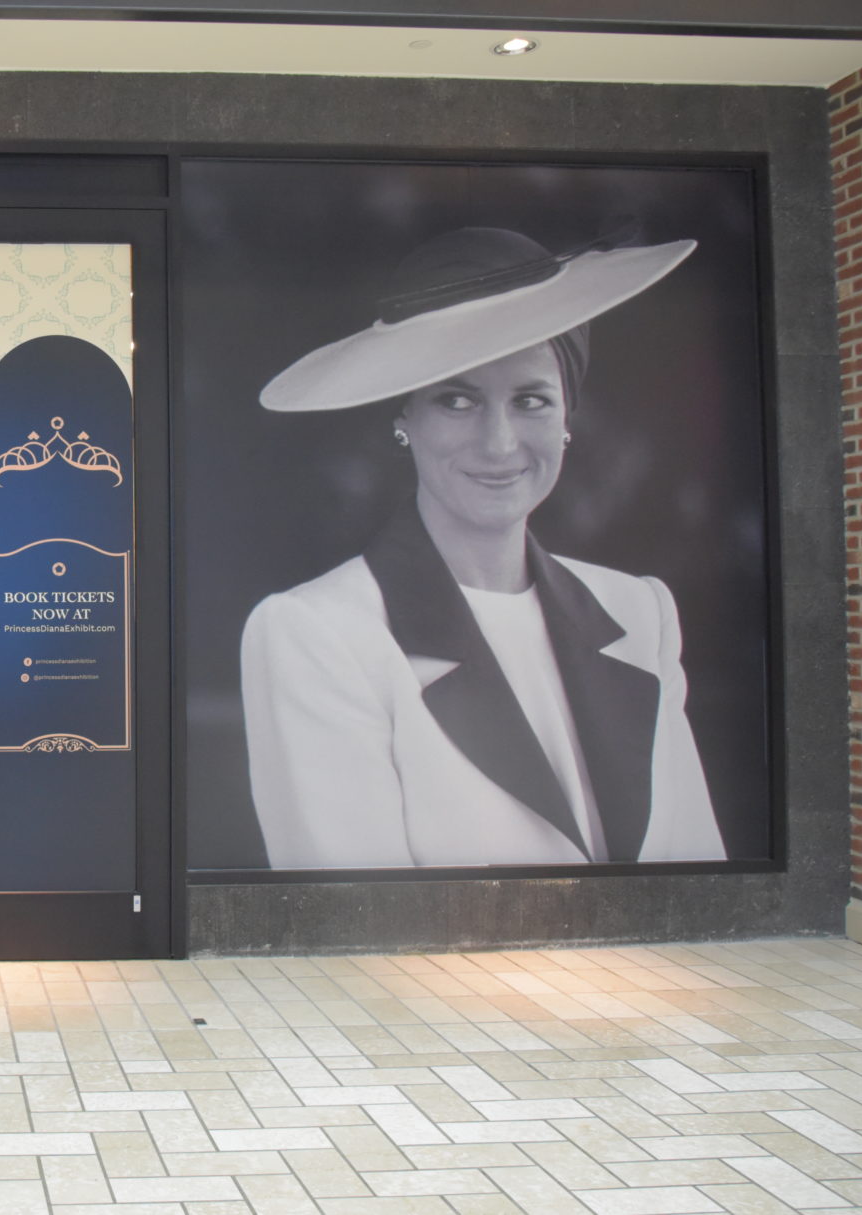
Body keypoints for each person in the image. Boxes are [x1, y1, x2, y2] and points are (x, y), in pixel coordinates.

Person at [242, 225, 727, 870]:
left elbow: (694, 873)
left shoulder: (639, 612)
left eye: (531, 400)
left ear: (566, 421)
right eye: (457, 400)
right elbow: (352, 924)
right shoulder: (316, 633)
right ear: (403, 421)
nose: (499, 444)